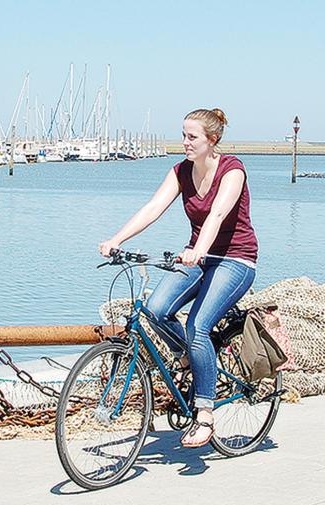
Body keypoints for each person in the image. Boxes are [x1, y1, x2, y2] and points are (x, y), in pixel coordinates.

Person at [99, 108, 258, 448]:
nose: (184, 142)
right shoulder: (181, 171)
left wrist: (198, 250)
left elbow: (216, 215)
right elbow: (153, 207)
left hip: (235, 259)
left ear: (211, 140)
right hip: (197, 255)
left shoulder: (233, 170)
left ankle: (205, 414)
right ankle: (192, 355)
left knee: (198, 325)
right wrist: (117, 239)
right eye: (183, 135)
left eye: (192, 137)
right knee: (155, 309)